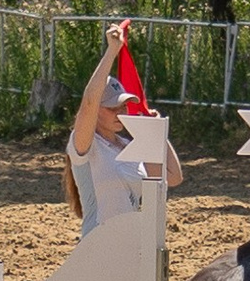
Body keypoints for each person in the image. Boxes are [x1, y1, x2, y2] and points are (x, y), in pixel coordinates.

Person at [66, 21, 184, 236]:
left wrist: (155, 133)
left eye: (123, 106)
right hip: (98, 242)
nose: (120, 112)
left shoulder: (130, 146)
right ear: (97, 111)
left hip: (131, 242)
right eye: (112, 107)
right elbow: (89, 102)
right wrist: (112, 51)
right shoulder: (85, 145)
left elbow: (173, 177)